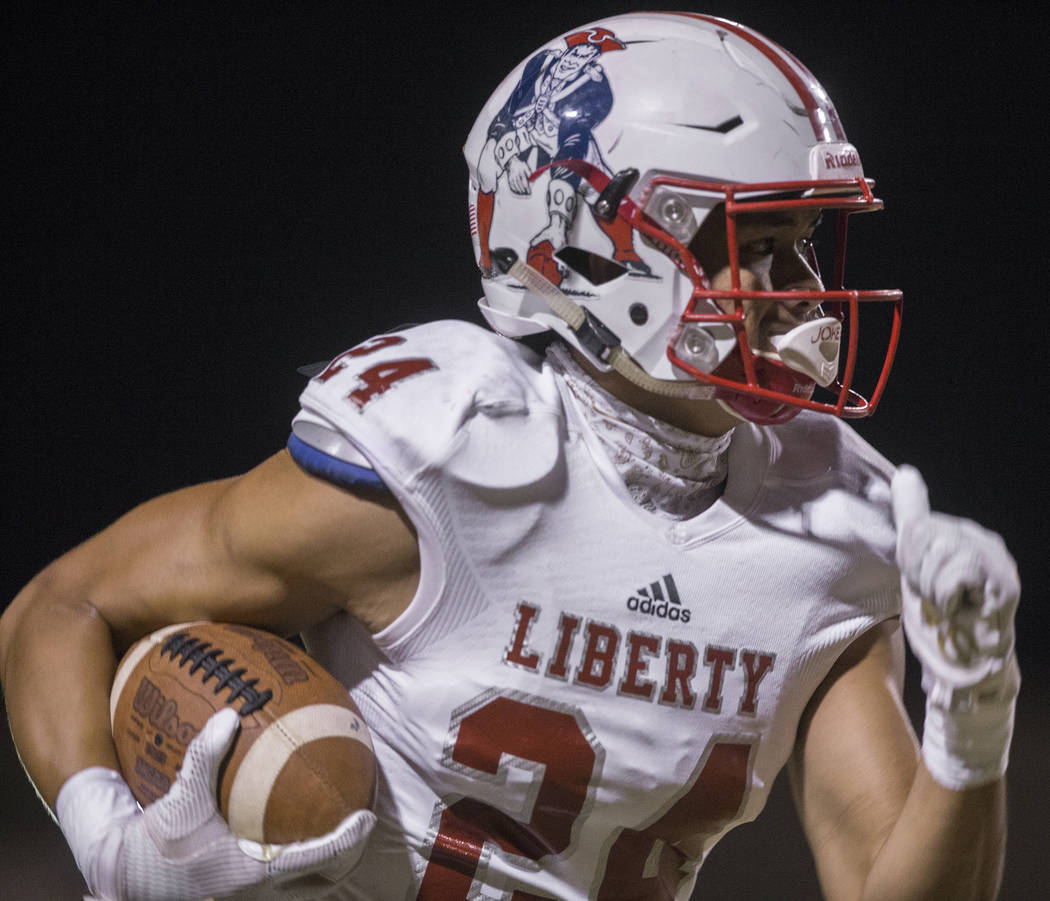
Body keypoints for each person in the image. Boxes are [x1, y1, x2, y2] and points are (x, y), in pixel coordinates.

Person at [0, 11, 1020, 901]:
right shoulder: (451, 456)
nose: (798, 289)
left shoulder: (831, 525)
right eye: (753, 243)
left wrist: (975, 709)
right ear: (591, 242)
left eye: (806, 242)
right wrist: (107, 838)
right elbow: (60, 606)